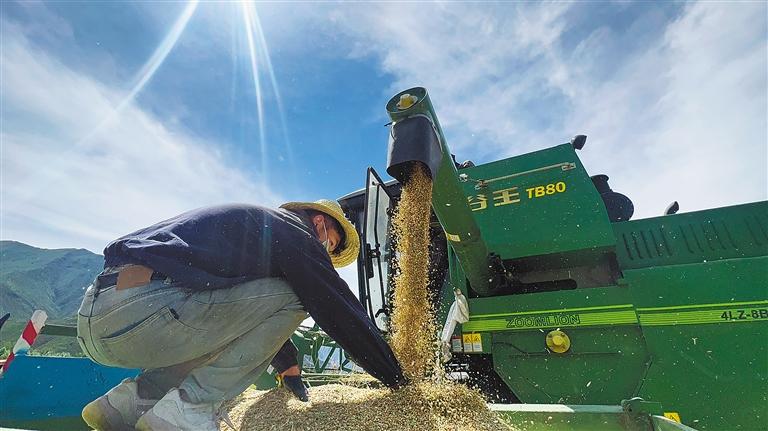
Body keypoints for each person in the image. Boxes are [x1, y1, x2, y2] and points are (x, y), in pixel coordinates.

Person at [77, 200, 405, 431]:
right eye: (330, 246)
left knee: (226, 322)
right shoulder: (297, 232)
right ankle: (191, 407)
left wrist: (287, 366)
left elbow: (245, 315)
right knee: (300, 294)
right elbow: (335, 305)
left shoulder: (256, 230)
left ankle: (129, 402)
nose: (326, 256)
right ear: (319, 223)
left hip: (98, 314)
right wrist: (397, 378)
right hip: (145, 310)